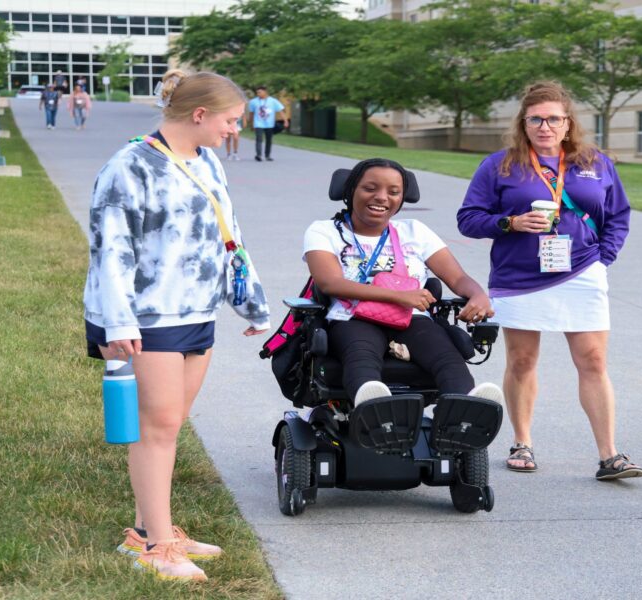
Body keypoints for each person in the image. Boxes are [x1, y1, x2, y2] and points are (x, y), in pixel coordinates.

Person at [83, 69, 271, 581]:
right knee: (158, 428)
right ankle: (159, 548)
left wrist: (251, 302)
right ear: (200, 114)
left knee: (169, 425)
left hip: (197, 312)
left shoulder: (206, 160)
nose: (236, 130)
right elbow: (110, 250)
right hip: (146, 319)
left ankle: (146, 533)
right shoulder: (128, 166)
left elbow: (230, 233)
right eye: (232, 120)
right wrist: (117, 322)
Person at [457, 81, 642, 481]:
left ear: (568, 123)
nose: (545, 126)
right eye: (536, 119)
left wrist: (601, 259)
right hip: (520, 275)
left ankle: (609, 455)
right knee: (523, 361)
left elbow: (618, 215)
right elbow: (468, 219)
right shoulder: (499, 165)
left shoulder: (593, 162)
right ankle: (522, 441)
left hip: (581, 272)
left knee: (593, 360)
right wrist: (510, 222)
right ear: (523, 123)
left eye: (553, 119)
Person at [304, 157, 502, 407]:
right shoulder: (325, 231)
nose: (382, 197)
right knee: (361, 357)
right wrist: (399, 296)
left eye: (394, 192)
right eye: (370, 188)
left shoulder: (414, 231)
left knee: (446, 357)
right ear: (350, 190)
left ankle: (464, 414)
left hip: (411, 318)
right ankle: (375, 409)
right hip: (352, 316)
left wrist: (478, 294)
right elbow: (330, 283)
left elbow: (457, 277)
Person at [247, 86, 288, 162]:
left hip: (269, 124)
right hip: (258, 123)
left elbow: (281, 111)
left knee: (269, 140)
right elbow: (251, 113)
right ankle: (258, 155)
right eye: (257, 93)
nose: (258, 94)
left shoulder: (273, 101)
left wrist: (285, 120)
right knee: (259, 139)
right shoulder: (253, 102)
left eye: (260, 92)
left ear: (265, 92)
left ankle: (267, 155)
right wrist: (251, 123)